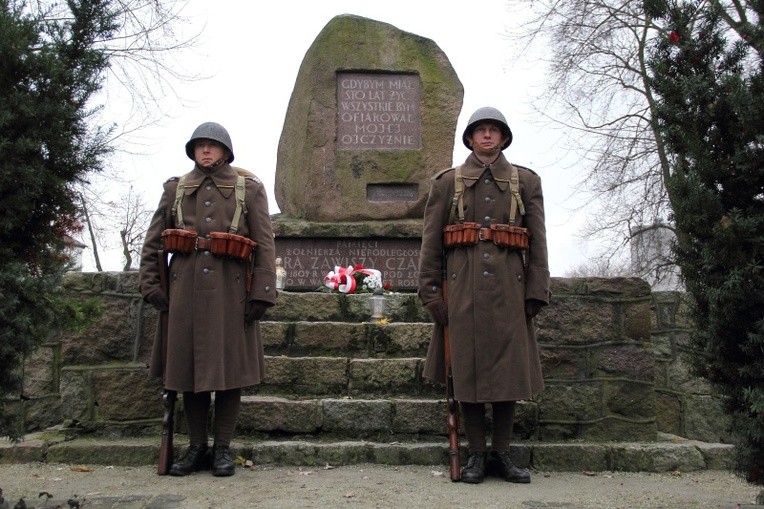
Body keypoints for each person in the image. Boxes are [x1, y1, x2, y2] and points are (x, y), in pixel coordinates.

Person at [418, 107, 549, 484]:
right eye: (481, 131)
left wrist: (536, 290)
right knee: (467, 373)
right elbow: (431, 243)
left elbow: (538, 239)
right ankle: (476, 454)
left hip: (511, 291)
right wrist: (430, 292)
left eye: (494, 131)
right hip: (462, 294)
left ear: (504, 138)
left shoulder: (525, 181)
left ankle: (502, 454)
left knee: (508, 376)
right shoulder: (447, 182)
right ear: (471, 139)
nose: (487, 136)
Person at [139, 122, 277, 477]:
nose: (205, 151)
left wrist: (262, 292)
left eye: (212, 146)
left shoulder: (249, 189)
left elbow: (264, 241)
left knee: (230, 374)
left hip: (232, 293)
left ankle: (222, 450)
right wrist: (151, 285)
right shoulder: (176, 189)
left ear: (226, 152)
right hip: (182, 293)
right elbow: (153, 242)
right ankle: (197, 447)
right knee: (188, 373)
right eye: (199, 146)